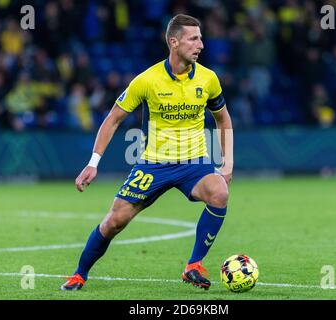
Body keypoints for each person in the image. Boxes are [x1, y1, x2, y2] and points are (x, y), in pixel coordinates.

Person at [61, 14, 233, 291]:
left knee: (219, 192)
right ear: (174, 42)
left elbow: (223, 119)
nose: (200, 44)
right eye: (193, 38)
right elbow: (113, 119)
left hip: (195, 162)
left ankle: (193, 265)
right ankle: (80, 274)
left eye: (201, 38)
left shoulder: (209, 79)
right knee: (114, 221)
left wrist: (227, 165)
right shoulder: (147, 80)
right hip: (154, 164)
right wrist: (93, 163)